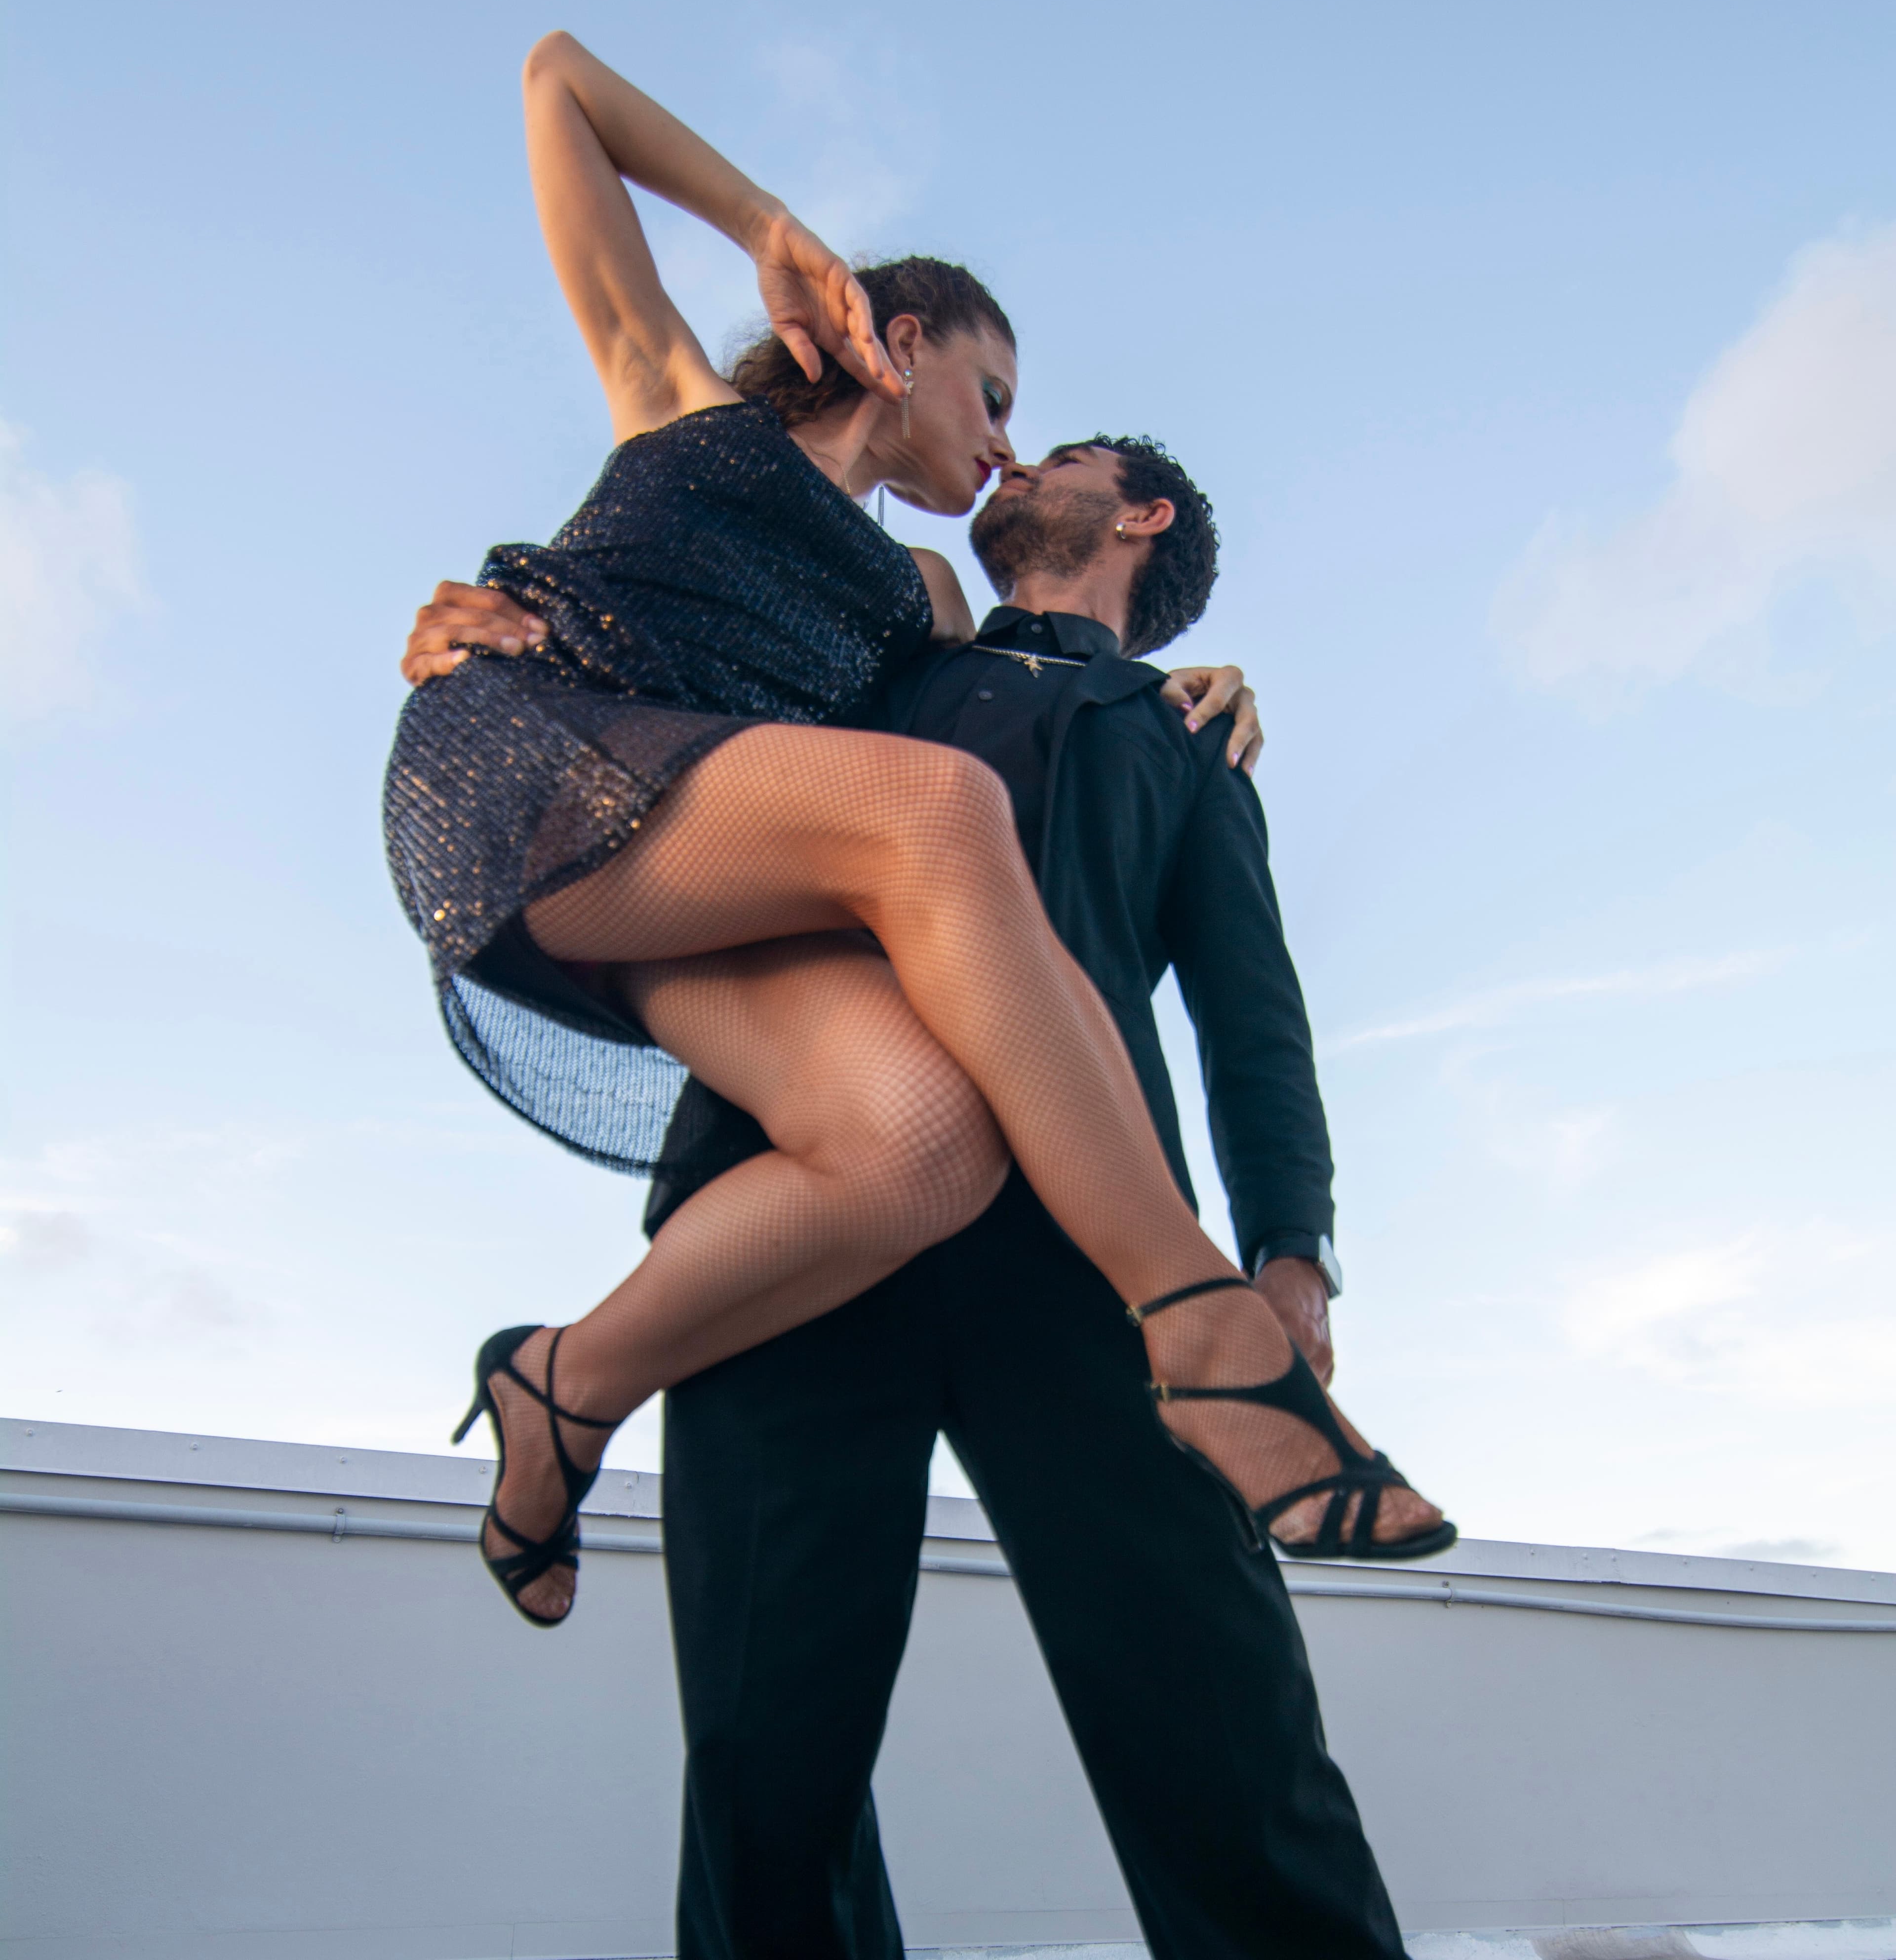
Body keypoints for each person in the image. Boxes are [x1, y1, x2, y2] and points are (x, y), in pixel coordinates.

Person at [385, 29, 1450, 1628]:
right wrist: (767, 233)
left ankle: (562, 1384)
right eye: (997, 392)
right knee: (936, 814)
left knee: (926, 1146)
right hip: (530, 768)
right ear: (899, 343)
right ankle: (1198, 1326)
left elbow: (1023, 707)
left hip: (689, 896)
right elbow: (557, 86)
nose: (1011, 439)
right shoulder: (678, 411)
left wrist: (1185, 681)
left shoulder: (929, 604)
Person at [402, 435, 1422, 1958]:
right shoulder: (859, 655)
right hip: (792, 1209)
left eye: (1060, 447)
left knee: (1222, 1717)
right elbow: (655, 713)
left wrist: (1291, 1256)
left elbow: (1255, 1021)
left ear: (1138, 515)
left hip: (1089, 1252)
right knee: (766, 1758)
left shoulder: (1180, 733)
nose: (1011, 452)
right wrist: (501, 642)